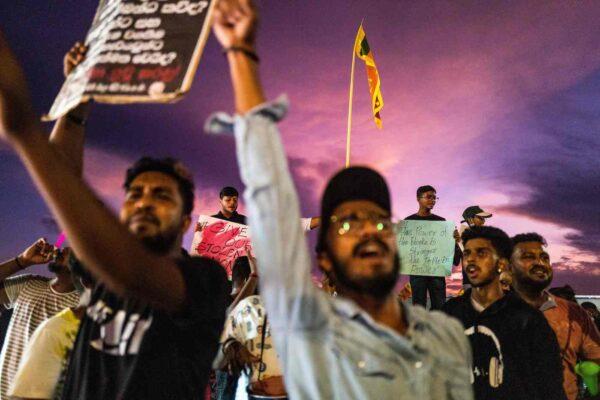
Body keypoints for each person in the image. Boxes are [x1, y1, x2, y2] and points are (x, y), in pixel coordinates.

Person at [207, 1, 473, 398]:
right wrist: (241, 54)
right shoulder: (308, 329)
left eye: (379, 221)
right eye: (347, 224)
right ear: (325, 258)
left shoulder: (444, 336)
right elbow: (269, 196)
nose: (368, 230)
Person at [0, 34, 229, 399]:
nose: (143, 202)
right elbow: (66, 182)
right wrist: (77, 102)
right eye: (134, 194)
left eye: (161, 195)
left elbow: (129, 268)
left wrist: (25, 132)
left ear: (187, 222)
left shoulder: (204, 281)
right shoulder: (102, 274)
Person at [442, 226, 566, 400]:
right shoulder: (447, 315)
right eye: (467, 253)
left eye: (481, 253)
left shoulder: (528, 320)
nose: (471, 259)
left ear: (501, 264)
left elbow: (550, 387)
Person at [510, 233, 600, 400]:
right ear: (507, 267)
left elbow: (596, 361)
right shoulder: (488, 312)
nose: (540, 263)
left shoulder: (574, 313)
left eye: (545, 257)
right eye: (529, 257)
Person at [0, 241, 79, 400]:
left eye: (75, 248)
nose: (64, 248)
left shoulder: (84, 306)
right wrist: (22, 260)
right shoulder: (29, 284)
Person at [404, 185, 459, 309]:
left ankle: (438, 328)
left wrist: (454, 241)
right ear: (418, 199)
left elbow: (448, 251)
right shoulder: (408, 222)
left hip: (437, 273)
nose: (432, 200)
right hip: (417, 272)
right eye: (429, 197)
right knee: (418, 307)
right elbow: (405, 250)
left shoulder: (441, 222)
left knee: (440, 307)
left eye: (434, 198)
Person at [457, 206, 493, 290]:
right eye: (480, 218)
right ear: (470, 219)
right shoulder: (461, 236)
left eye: (484, 219)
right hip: (470, 281)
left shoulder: (485, 235)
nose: (483, 221)